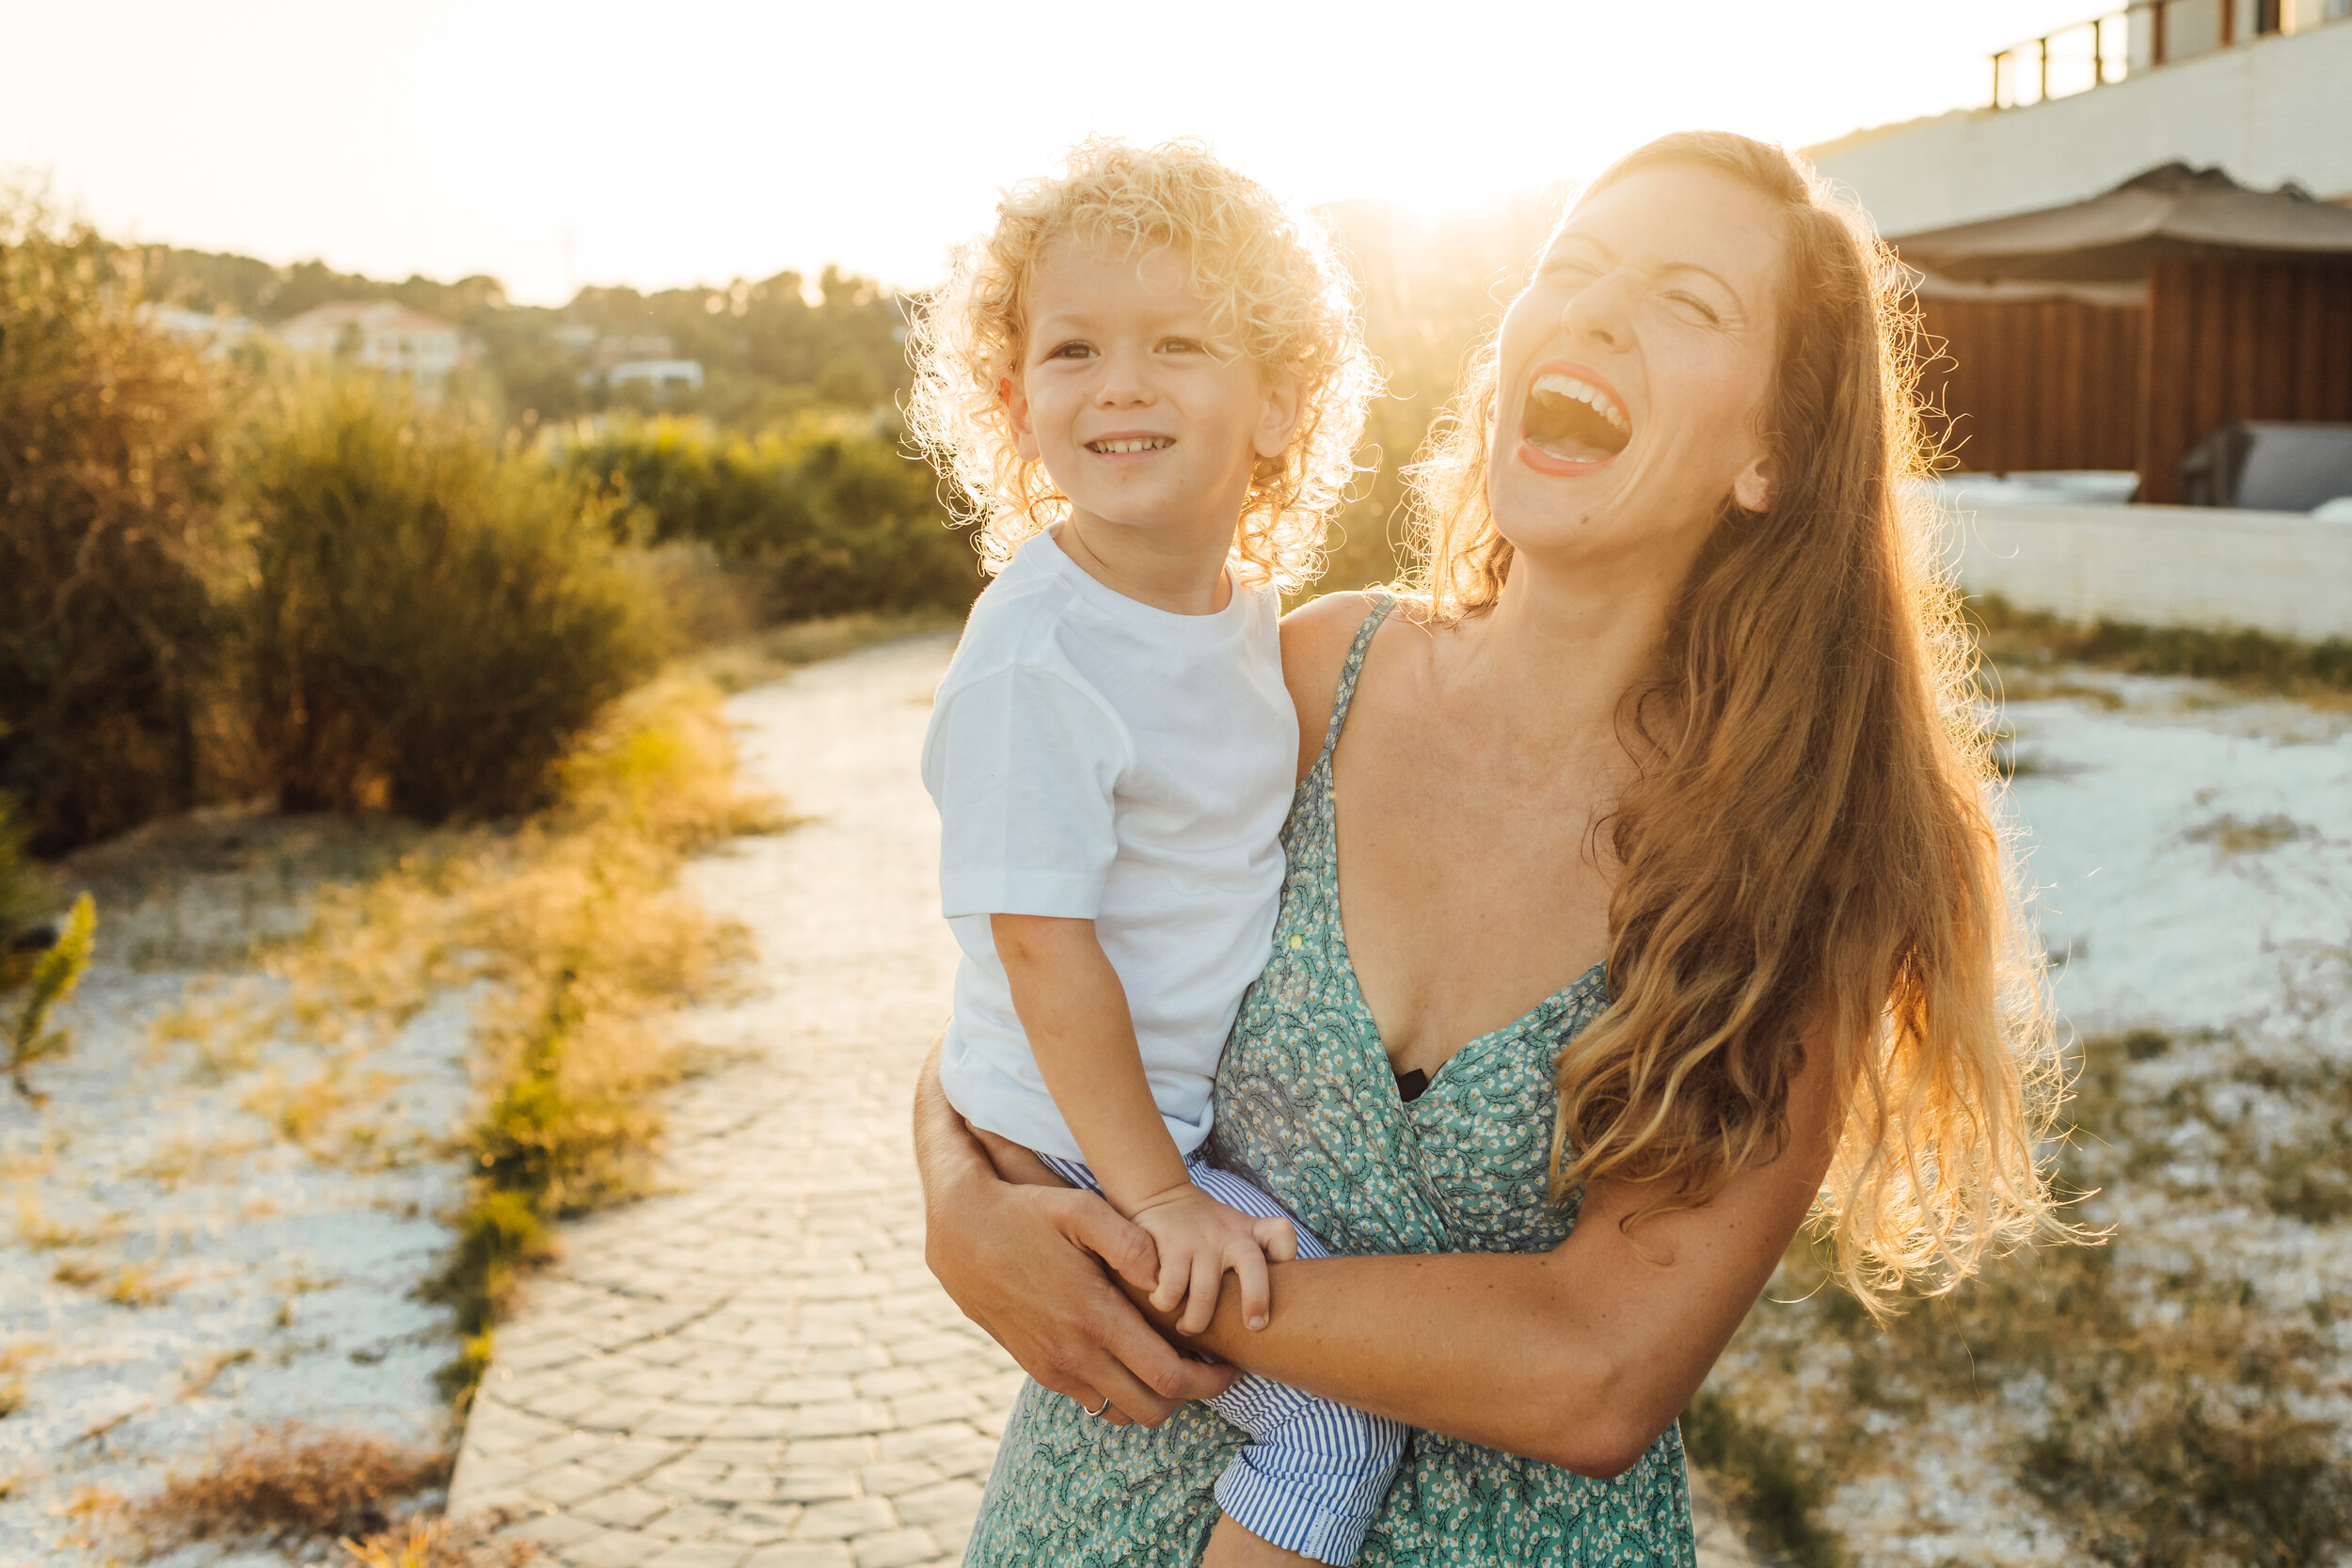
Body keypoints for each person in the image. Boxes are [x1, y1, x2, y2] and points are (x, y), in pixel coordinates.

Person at [914, 130, 2060, 1566]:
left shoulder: (1793, 860)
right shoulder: (1300, 676)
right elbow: (1037, 954)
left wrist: (1143, 1272)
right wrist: (961, 1202)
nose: (1590, 311)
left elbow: (1598, 1373)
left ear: (1772, 453)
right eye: (1569, 268)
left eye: (1687, 303)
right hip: (1091, 1513)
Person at [904, 140, 1402, 1565]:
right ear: (1015, 407)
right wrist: (1163, 1195)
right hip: (1075, 1131)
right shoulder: (1039, 653)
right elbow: (1039, 948)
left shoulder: (1246, 626)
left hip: (1146, 1122)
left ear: (1281, 402)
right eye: (1072, 349)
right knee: (1331, 1423)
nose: (1119, 382)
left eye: (1176, 342)